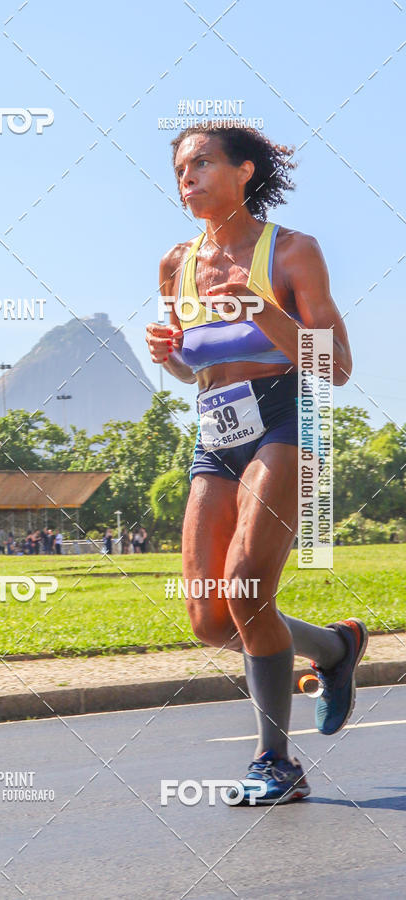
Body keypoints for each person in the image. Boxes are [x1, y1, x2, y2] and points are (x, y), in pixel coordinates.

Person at [145, 123, 368, 805]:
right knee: (212, 620)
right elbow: (194, 369)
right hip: (215, 431)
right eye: (181, 168)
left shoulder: (293, 251)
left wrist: (263, 312)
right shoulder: (176, 263)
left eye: (203, 163)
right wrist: (171, 357)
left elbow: (337, 367)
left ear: (245, 172)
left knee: (246, 585)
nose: (188, 177)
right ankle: (332, 649)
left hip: (284, 420)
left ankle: (275, 761)